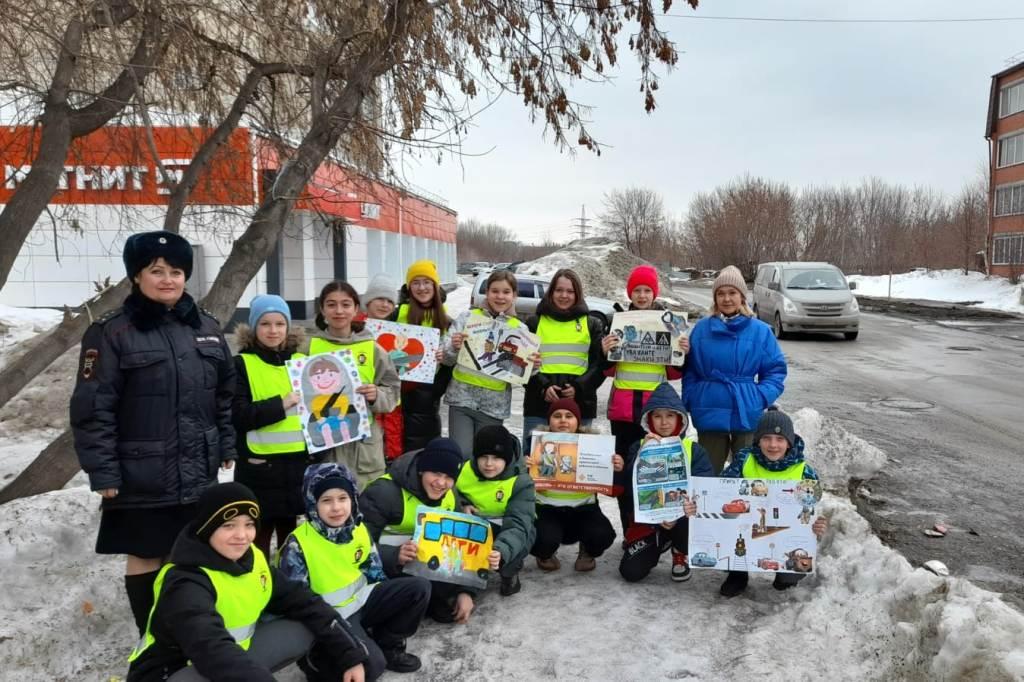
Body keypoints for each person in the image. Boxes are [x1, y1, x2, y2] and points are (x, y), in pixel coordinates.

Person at [70, 230, 236, 636]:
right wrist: (103, 471)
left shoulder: (208, 328)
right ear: (136, 276)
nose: (168, 280)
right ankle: (153, 640)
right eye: (156, 271)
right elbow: (93, 407)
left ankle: (190, 636)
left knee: (190, 555)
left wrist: (226, 444)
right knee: (146, 554)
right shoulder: (112, 332)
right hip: (140, 472)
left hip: (197, 470)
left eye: (176, 271)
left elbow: (224, 396)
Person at [126, 482, 367, 682]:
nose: (242, 536)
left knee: (303, 624)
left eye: (249, 525)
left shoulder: (252, 559)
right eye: (228, 526)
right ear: (206, 529)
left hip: (227, 659)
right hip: (174, 672)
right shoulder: (185, 582)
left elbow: (304, 601)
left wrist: (350, 654)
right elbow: (212, 650)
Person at [277, 463, 430, 677]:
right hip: (330, 620)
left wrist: (388, 608)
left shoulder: (358, 528)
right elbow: (297, 607)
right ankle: (316, 661)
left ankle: (387, 646)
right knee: (371, 668)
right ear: (313, 503)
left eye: (343, 498)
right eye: (326, 500)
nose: (336, 508)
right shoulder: (298, 545)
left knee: (418, 588)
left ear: (353, 499)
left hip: (362, 604)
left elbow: (374, 573)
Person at [360, 438, 487, 624]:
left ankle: (435, 599)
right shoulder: (383, 492)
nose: (441, 483)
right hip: (384, 573)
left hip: (423, 572)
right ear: (421, 469)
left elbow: (461, 548)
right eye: (436, 473)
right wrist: (394, 555)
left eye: (449, 477)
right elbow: (354, 545)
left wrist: (465, 591)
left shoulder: (450, 495)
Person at [602, 265, 690, 530]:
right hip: (622, 412)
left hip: (656, 414)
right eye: (637, 290)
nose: (642, 295)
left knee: (655, 471)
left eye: (647, 290)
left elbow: (674, 373)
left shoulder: (669, 324)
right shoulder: (617, 323)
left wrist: (683, 352)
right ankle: (631, 529)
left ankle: (656, 527)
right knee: (624, 471)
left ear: (654, 294)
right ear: (630, 293)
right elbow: (607, 370)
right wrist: (604, 351)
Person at [683, 265, 787, 474]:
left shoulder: (760, 331)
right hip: (709, 410)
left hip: (746, 411)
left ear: (742, 297)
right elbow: (690, 370)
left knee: (747, 477)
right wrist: (693, 398)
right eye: (720, 293)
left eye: (732, 293)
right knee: (707, 475)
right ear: (715, 298)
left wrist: (759, 397)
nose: (727, 299)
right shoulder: (702, 329)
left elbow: (775, 371)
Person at [716, 407, 828, 597]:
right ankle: (737, 574)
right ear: (758, 440)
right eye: (766, 438)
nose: (773, 445)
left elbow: (810, 510)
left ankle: (784, 575)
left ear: (789, 442)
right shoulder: (744, 459)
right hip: (746, 526)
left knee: (789, 576)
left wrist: (815, 526)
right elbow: (721, 490)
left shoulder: (805, 472)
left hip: (784, 531)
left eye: (780, 439)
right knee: (732, 535)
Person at [232, 294, 309, 557]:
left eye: (279, 323)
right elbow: (238, 415)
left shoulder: (300, 362)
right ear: (254, 327)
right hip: (259, 468)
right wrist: (280, 404)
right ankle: (259, 579)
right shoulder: (241, 364)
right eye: (265, 324)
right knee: (258, 535)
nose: (273, 330)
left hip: (295, 466)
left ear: (288, 327)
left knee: (290, 538)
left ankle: (285, 580)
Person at [304, 281, 401, 487]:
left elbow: (393, 390)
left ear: (356, 309)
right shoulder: (307, 348)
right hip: (323, 446)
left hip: (364, 452)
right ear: (322, 309)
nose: (339, 311)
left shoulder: (372, 348)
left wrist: (376, 395)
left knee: (367, 504)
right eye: (331, 304)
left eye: (346, 304)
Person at [618, 382, 714, 583]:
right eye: (657, 416)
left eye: (670, 415)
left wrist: (681, 512)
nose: (664, 422)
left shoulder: (694, 450)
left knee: (691, 529)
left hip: (683, 520)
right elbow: (628, 489)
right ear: (649, 419)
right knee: (630, 572)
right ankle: (659, 541)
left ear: (680, 418)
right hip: (649, 521)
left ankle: (680, 551)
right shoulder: (638, 446)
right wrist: (642, 454)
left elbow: (706, 489)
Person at [442, 270, 540, 456]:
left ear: (514, 295)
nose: (500, 296)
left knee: (486, 458)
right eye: (495, 291)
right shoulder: (466, 318)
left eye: (506, 292)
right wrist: (453, 346)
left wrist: (533, 367)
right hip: (461, 400)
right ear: (487, 293)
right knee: (461, 455)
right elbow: (446, 359)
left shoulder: (520, 330)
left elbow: (523, 375)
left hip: (494, 407)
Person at [526, 399, 621, 573]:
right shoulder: (535, 444)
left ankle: (588, 551)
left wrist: (616, 468)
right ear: (549, 421)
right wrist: (523, 466)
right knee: (540, 539)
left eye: (569, 416)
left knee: (602, 535)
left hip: (584, 509)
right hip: (546, 509)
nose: (563, 420)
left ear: (578, 421)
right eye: (557, 416)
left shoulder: (594, 445)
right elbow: (517, 482)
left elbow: (615, 488)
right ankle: (545, 554)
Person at [522, 268, 607, 453]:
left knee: (577, 463)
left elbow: (599, 366)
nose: (564, 296)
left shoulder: (592, 324)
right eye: (559, 290)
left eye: (570, 291)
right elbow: (522, 365)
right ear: (551, 292)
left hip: (580, 406)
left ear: (578, 294)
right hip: (539, 405)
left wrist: (578, 388)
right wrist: (543, 387)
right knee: (535, 462)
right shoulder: (534, 323)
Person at [456, 425, 536, 596]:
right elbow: (448, 493)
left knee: (523, 536)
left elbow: (518, 524)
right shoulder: (463, 470)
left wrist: (500, 551)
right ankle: (465, 579)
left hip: (507, 529)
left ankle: (509, 572)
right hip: (474, 530)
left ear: (507, 458)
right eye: (483, 457)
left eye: (496, 458)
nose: (489, 464)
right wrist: (461, 504)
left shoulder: (521, 482)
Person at [392, 261, 452, 452]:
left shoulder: (446, 319)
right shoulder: (397, 314)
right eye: (416, 282)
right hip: (398, 393)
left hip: (428, 398)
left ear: (435, 285)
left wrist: (438, 386)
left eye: (427, 282)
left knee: (424, 450)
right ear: (409, 287)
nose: (422, 288)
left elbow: (452, 359)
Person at [359, 274, 405, 462]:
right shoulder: (354, 328)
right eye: (380, 298)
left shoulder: (399, 332)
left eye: (389, 301)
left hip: (390, 402)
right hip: (362, 402)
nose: (385, 305)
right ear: (368, 301)